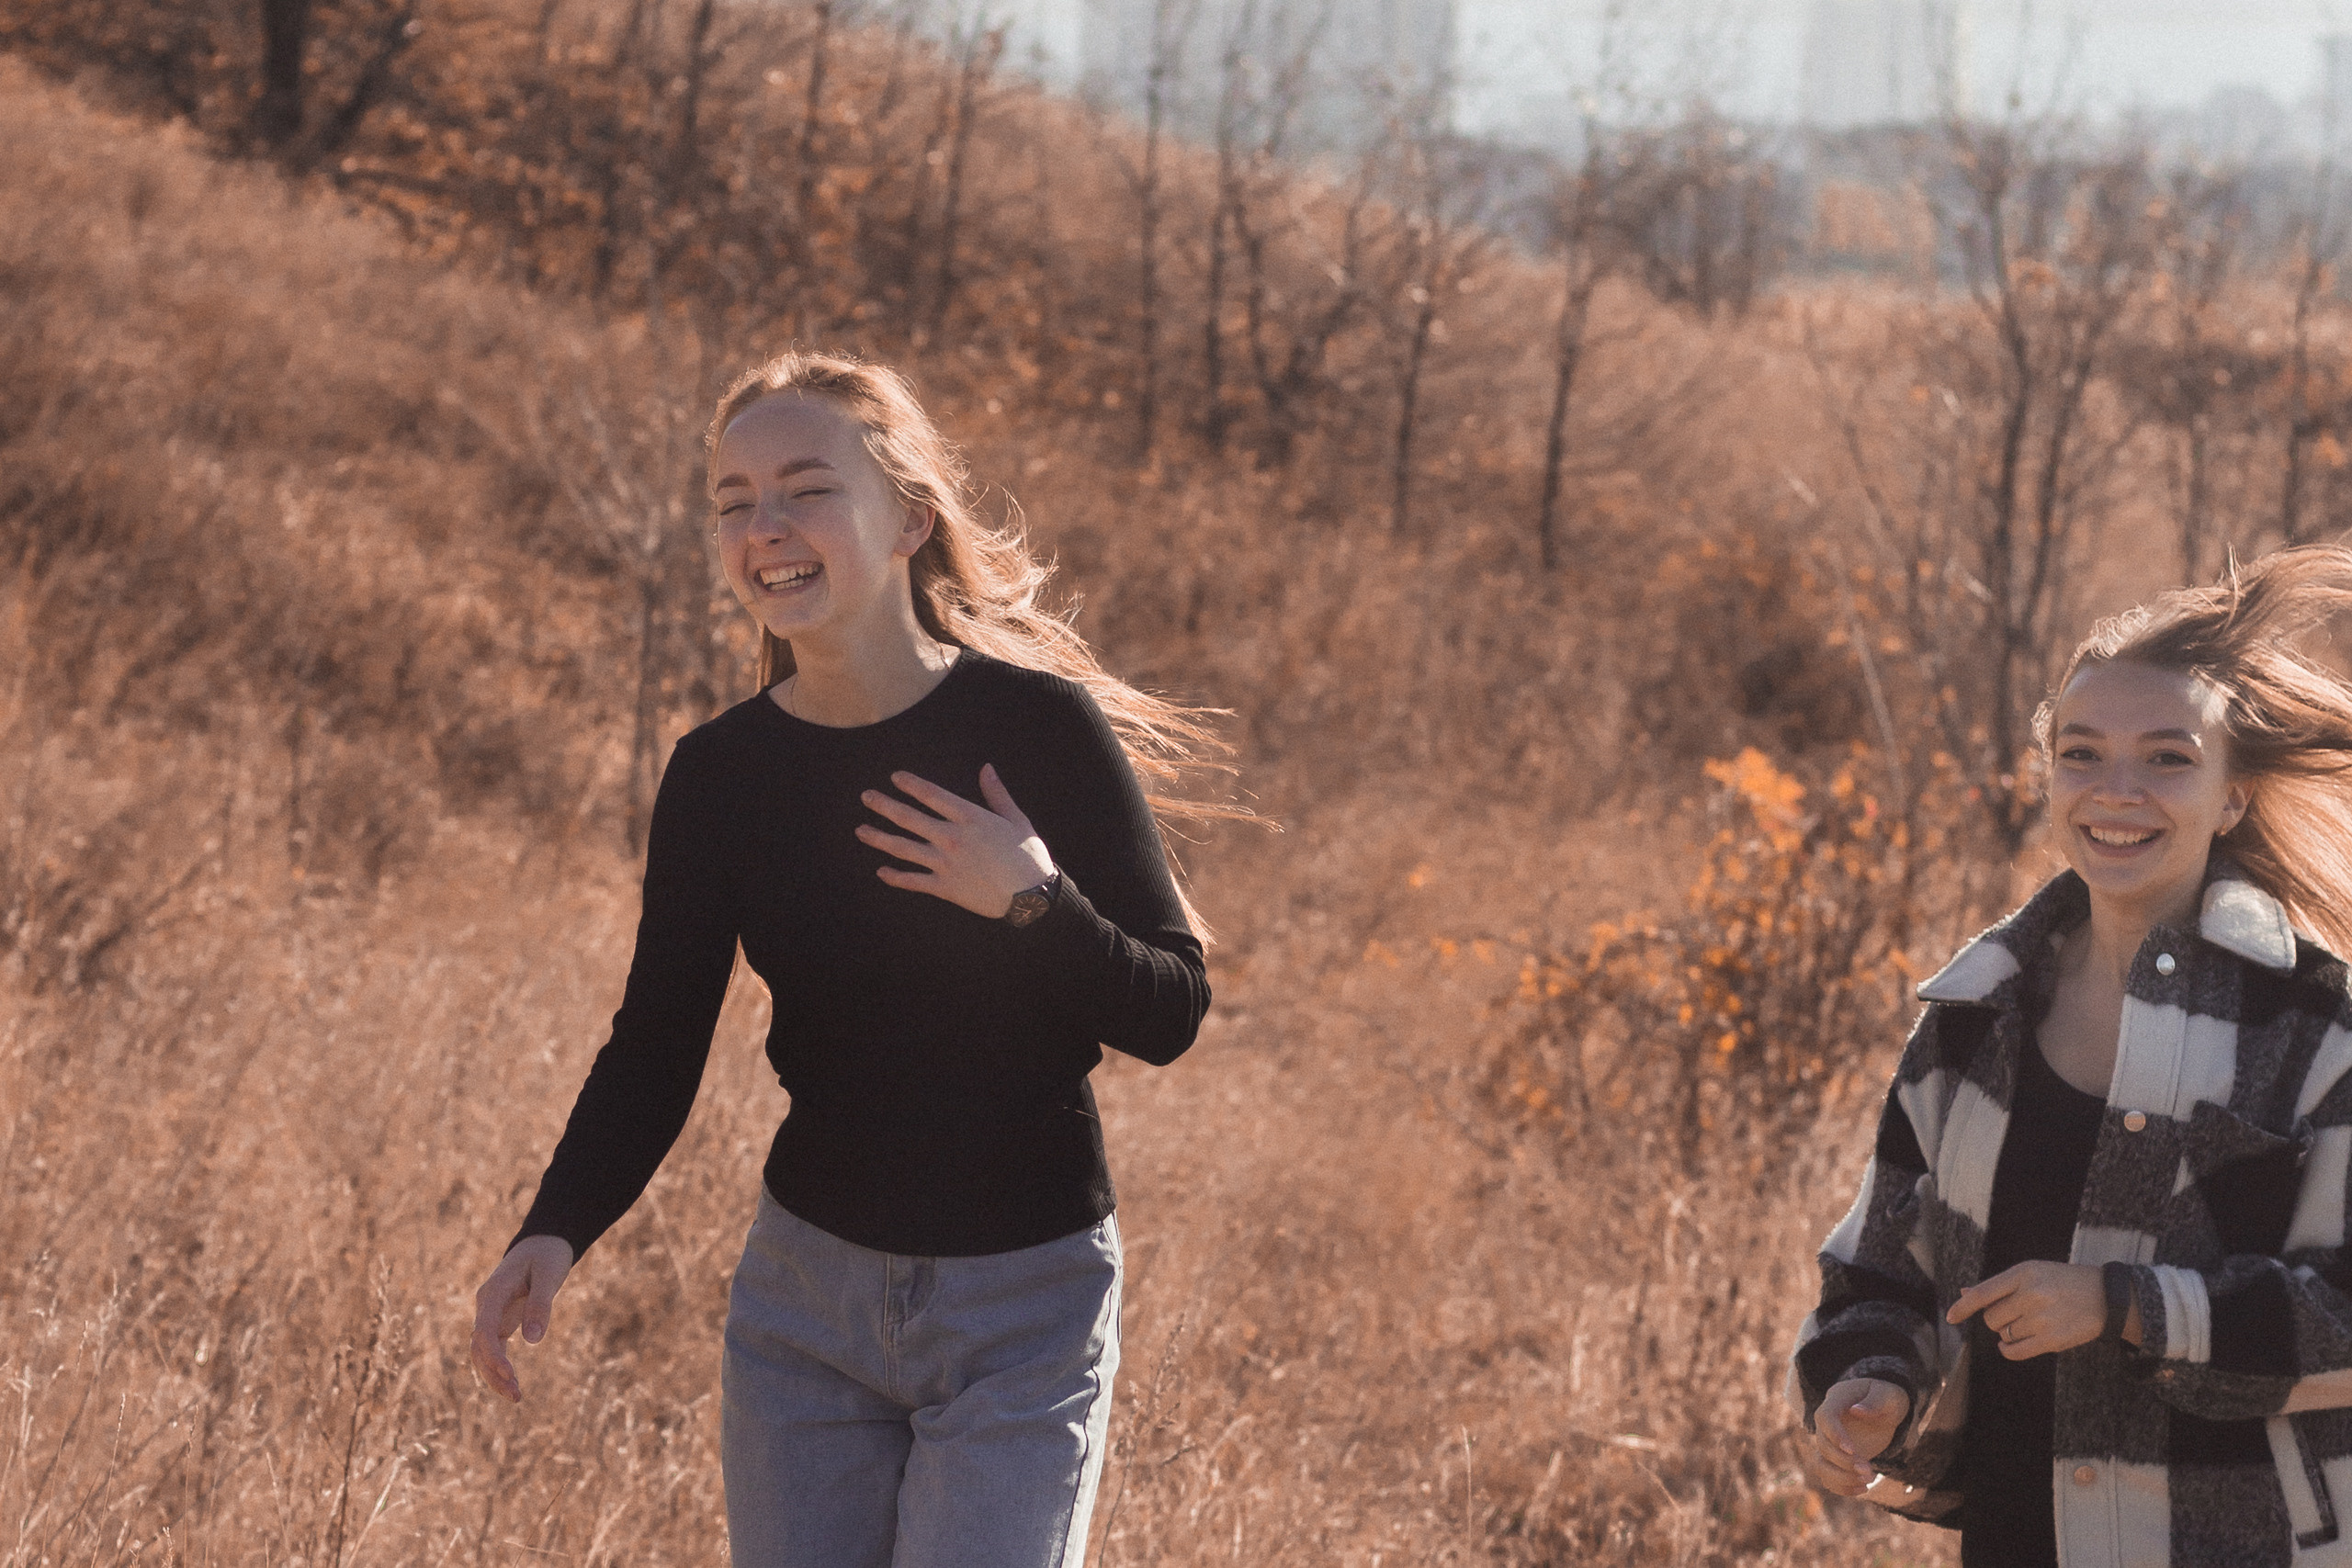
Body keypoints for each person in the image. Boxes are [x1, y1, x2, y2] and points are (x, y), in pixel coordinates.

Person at [469, 351, 1230, 1568]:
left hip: (1022, 1309)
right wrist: (554, 1225)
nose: (762, 527)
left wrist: (1030, 900)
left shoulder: (1033, 726)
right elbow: (657, 1041)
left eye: (805, 489)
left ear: (910, 519)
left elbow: (1171, 1009)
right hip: (805, 1310)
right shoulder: (722, 776)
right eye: (732, 500)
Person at [1792, 546, 2352, 1567]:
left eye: (2168, 758)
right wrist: (1868, 1380)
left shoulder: (2316, 1033)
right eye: (2082, 752)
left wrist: (2119, 1305)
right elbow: (1877, 1270)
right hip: (2012, 1535)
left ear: (2231, 797)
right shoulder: (1970, 1019)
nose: (2115, 791)